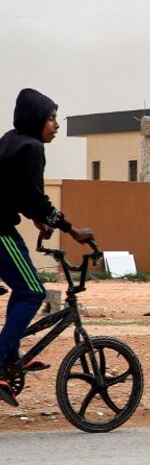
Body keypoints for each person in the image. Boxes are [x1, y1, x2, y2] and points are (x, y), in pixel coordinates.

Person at [0, 89, 94, 407]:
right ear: (36, 120)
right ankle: (2, 359)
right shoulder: (32, 147)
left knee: (23, 288)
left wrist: (38, 219)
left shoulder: (11, 139)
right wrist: (73, 231)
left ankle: (12, 356)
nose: (56, 125)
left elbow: (19, 191)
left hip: (4, 225)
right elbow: (38, 200)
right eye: (51, 118)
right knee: (32, 292)